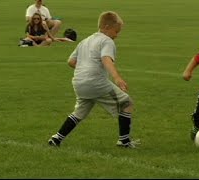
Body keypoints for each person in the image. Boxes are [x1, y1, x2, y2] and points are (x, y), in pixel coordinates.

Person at [48, 11, 140, 148]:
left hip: (79, 82)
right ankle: (124, 141)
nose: (117, 35)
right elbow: (106, 59)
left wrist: (85, 68)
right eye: (116, 31)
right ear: (108, 27)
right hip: (96, 83)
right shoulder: (106, 41)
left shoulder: (86, 41)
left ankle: (57, 138)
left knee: (79, 112)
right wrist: (117, 78)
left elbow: (71, 61)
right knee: (126, 103)